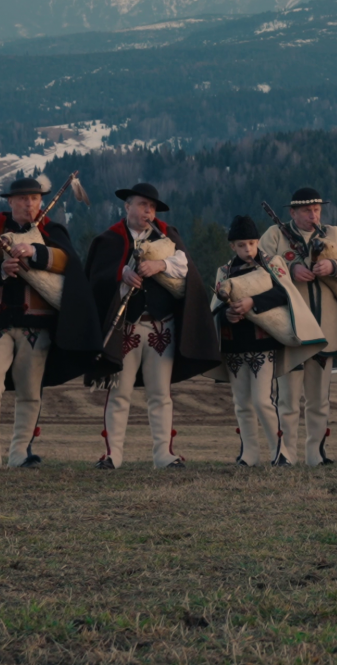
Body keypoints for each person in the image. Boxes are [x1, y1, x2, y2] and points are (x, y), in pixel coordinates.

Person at [0, 175, 100, 469]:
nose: (29, 204)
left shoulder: (52, 231)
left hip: (37, 325)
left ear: (41, 201)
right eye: (22, 198)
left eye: (34, 198)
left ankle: (21, 453)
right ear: (10, 201)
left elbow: (69, 264)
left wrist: (36, 251)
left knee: (30, 392)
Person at [85, 182, 214, 470]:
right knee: (120, 393)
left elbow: (186, 269)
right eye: (143, 205)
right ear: (127, 206)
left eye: (152, 207)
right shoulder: (109, 240)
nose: (148, 212)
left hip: (160, 326)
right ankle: (113, 455)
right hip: (125, 327)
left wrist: (161, 265)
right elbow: (96, 279)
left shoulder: (167, 237)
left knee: (160, 394)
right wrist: (121, 275)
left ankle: (164, 455)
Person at [258, 187, 337, 466]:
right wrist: (290, 270)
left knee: (319, 399)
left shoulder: (334, 234)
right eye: (307, 210)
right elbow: (260, 266)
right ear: (293, 213)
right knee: (288, 398)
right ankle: (285, 454)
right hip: (290, 330)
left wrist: (334, 267)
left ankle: (315, 454)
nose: (313, 215)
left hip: (325, 329)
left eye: (316, 210)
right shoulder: (274, 235)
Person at [211, 215, 303, 465]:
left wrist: (253, 302)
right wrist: (228, 315)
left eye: (252, 243)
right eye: (241, 245)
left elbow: (284, 293)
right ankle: (249, 454)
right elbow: (217, 307)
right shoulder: (224, 272)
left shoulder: (272, 265)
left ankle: (280, 453)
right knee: (241, 403)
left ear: (258, 242)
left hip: (262, 343)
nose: (248, 249)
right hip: (234, 344)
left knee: (263, 401)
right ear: (233, 246)